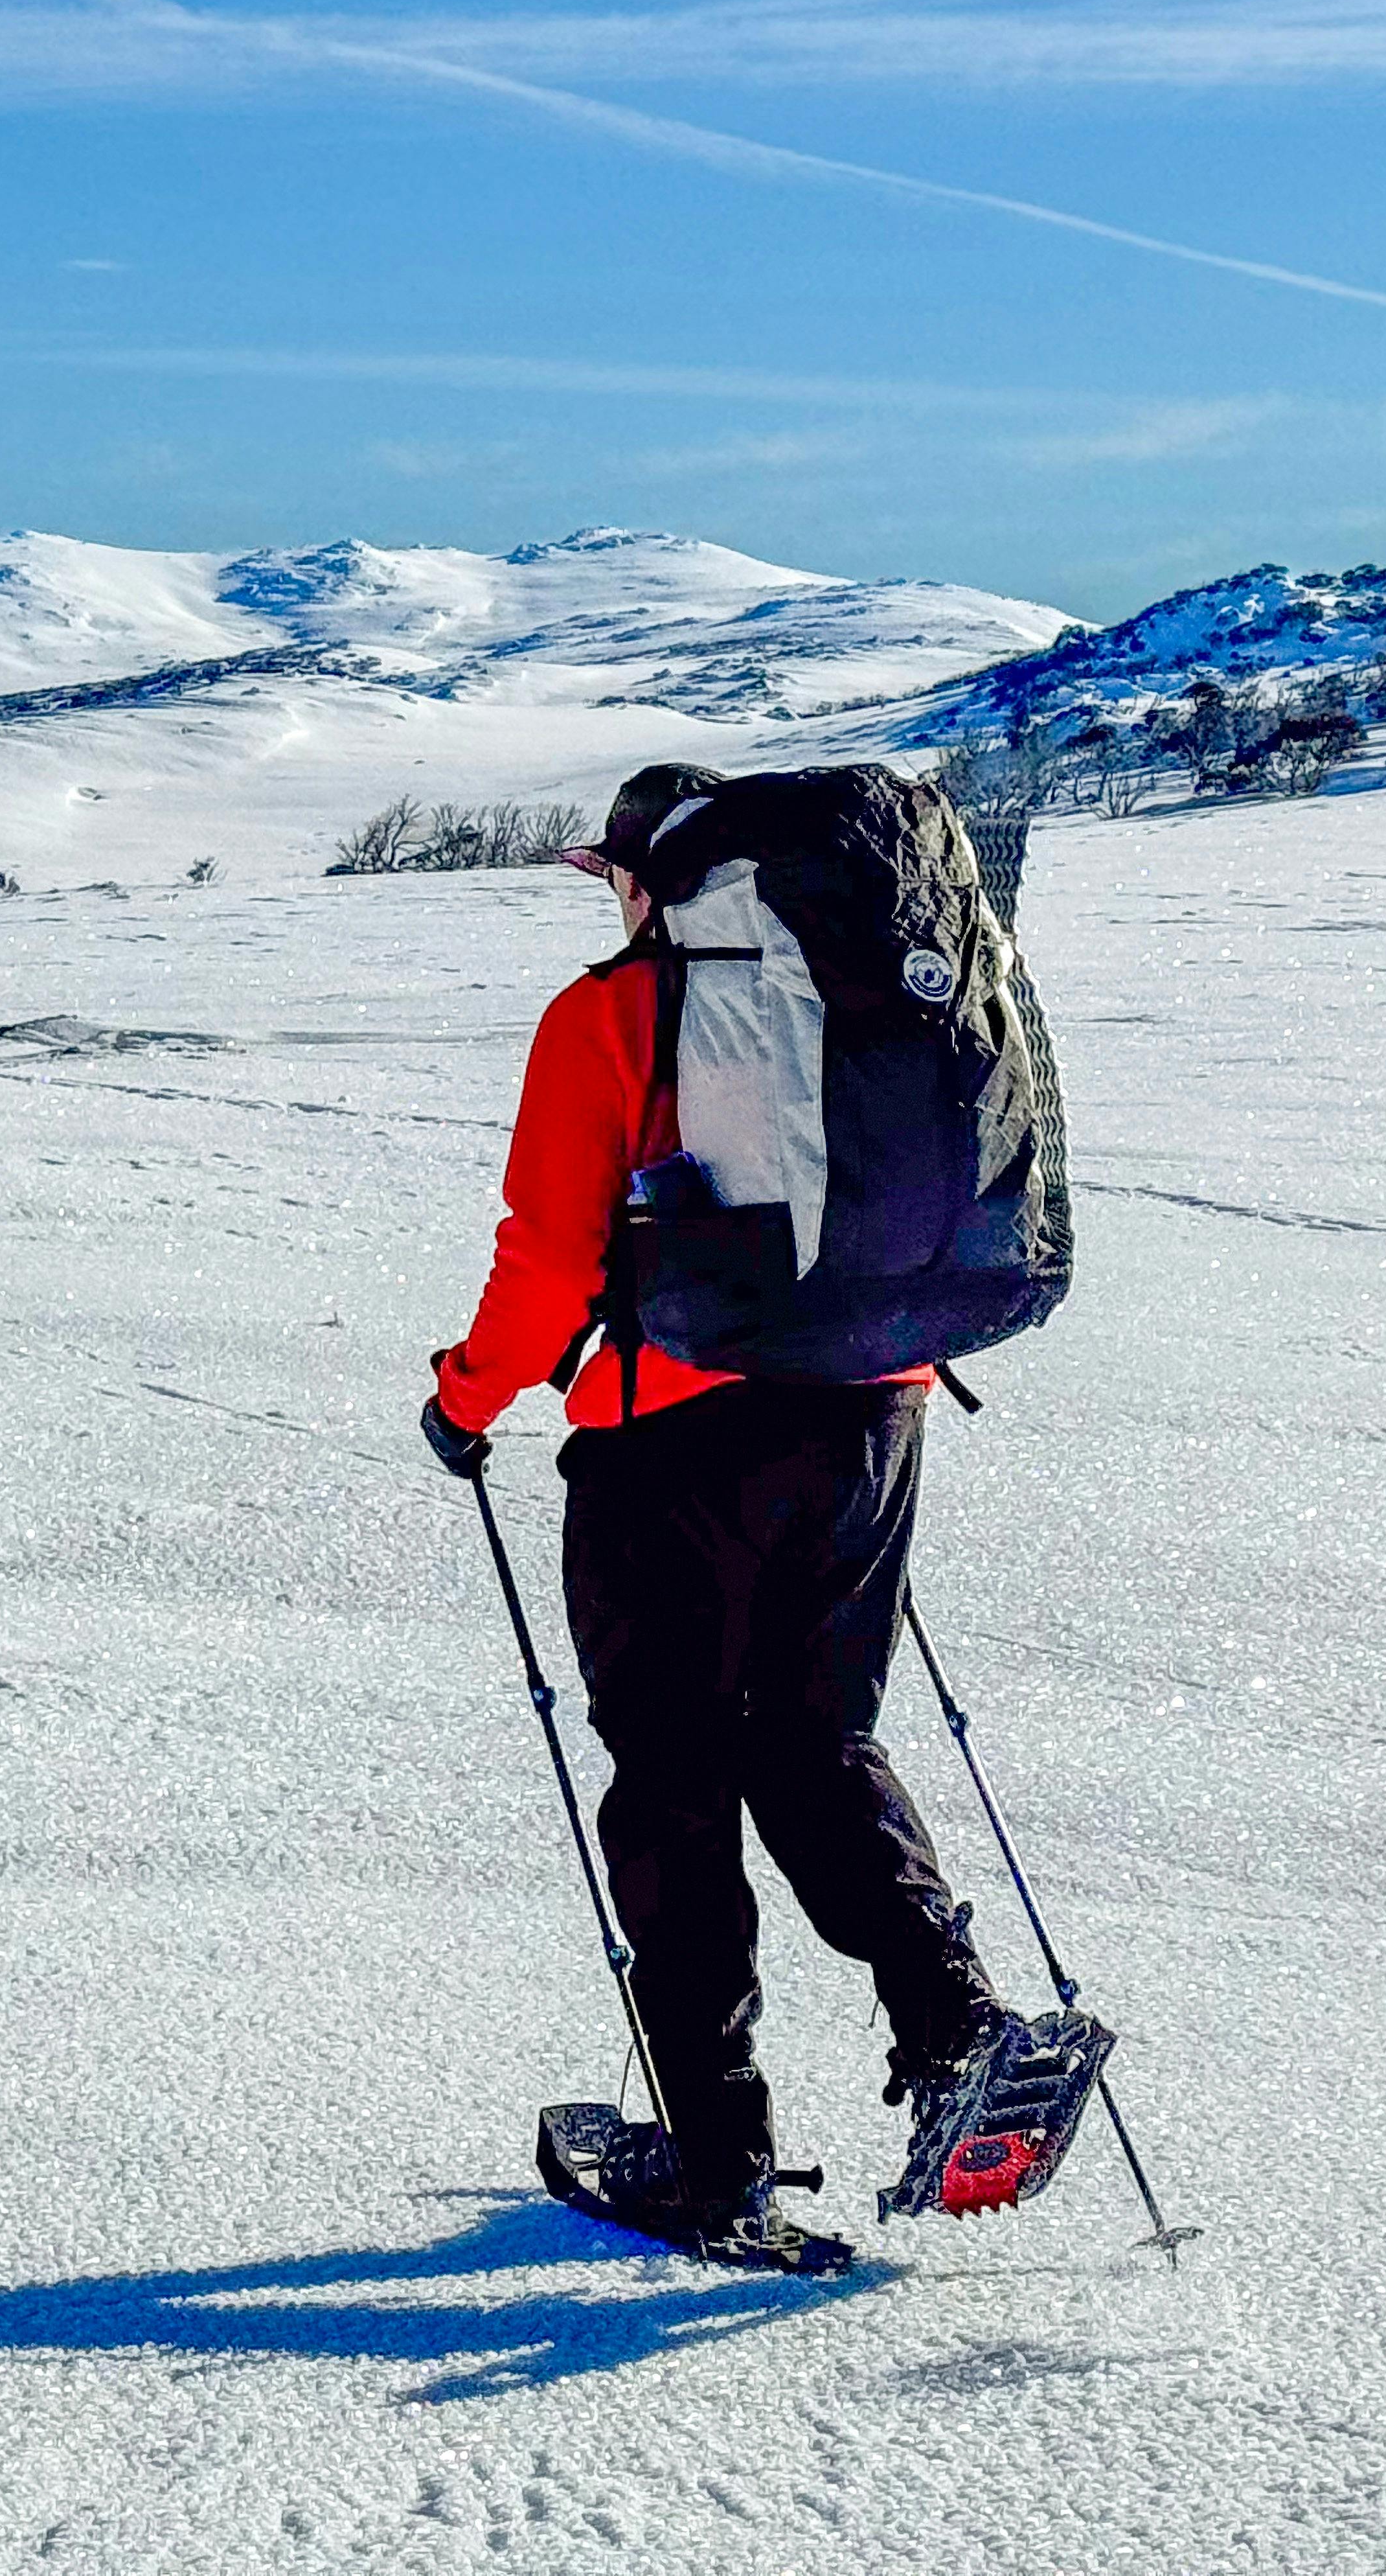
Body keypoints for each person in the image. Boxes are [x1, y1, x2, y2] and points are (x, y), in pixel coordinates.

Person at [422, 761, 1006, 2260]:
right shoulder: (851, 999)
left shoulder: (609, 1013)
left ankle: (714, 2153)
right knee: (817, 1739)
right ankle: (961, 2037)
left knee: (674, 1773)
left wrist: (468, 1397)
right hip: (877, 1404)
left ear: (642, 880)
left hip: (675, 1443)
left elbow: (549, 1257)